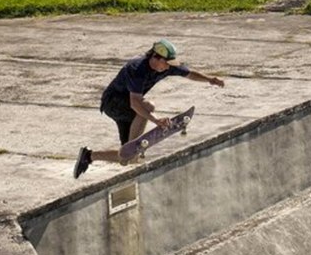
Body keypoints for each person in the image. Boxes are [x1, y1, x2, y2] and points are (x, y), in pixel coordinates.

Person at [74, 38, 224, 178]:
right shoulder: (137, 68)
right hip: (113, 103)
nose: (168, 67)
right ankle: (133, 145)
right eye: (166, 63)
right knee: (148, 106)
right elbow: (135, 103)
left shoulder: (167, 67)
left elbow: (189, 74)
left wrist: (209, 79)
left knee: (129, 157)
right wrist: (156, 120)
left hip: (128, 110)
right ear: (156, 58)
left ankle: (88, 156)